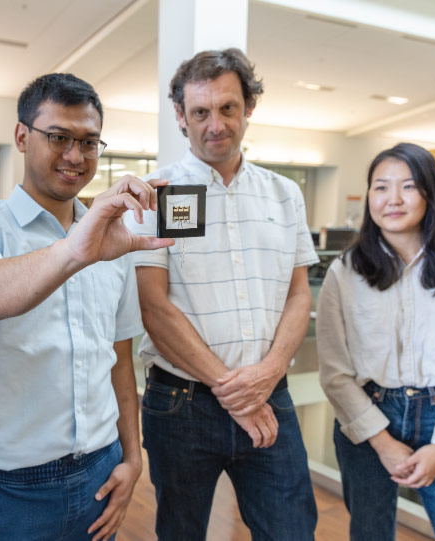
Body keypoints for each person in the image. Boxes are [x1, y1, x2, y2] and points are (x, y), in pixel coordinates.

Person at [0, 73, 172, 540]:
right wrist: (75, 250)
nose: (74, 155)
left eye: (89, 142)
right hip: (6, 485)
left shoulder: (114, 240)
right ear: (22, 137)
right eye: (59, 137)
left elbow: (119, 357)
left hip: (100, 471)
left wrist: (132, 456)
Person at [126, 48, 318, 540]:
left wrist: (268, 375)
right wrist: (237, 394)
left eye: (228, 108)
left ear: (249, 106)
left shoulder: (285, 194)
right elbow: (154, 307)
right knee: (181, 532)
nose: (216, 124)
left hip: (270, 395)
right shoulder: (157, 192)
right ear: (180, 117)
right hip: (182, 405)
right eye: (200, 112)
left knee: (292, 530)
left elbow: (300, 295)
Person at [316, 142, 435, 541]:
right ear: (369, 197)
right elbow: (334, 371)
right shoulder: (345, 272)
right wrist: (382, 443)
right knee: (371, 534)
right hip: (368, 420)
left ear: (431, 195)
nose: (393, 199)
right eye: (381, 187)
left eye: (409, 186)